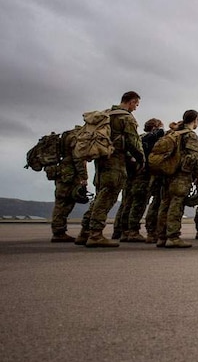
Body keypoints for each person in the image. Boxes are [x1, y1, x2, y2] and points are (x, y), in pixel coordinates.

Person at [84, 91, 144, 248]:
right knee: (108, 196)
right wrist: (141, 159)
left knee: (100, 194)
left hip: (101, 160)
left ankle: (85, 231)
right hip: (115, 161)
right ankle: (95, 234)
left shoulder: (107, 114)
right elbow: (133, 141)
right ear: (131, 102)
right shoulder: (125, 117)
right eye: (136, 104)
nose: (136, 108)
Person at [154, 110, 198, 249]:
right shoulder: (190, 135)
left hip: (167, 173)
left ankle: (162, 236)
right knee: (177, 204)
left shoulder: (171, 134)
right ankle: (173, 237)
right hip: (181, 174)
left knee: (165, 204)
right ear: (195, 120)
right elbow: (196, 157)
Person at [114, 117, 163, 243]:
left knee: (127, 203)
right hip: (143, 174)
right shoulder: (151, 139)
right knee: (139, 203)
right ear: (154, 128)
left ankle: (122, 230)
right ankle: (133, 231)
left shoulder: (138, 138)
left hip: (131, 175)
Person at [50, 126, 89, 242]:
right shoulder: (76, 137)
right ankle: (59, 232)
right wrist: (83, 176)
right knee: (65, 202)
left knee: (60, 202)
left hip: (61, 171)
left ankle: (58, 230)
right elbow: (78, 158)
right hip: (69, 174)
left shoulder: (66, 135)